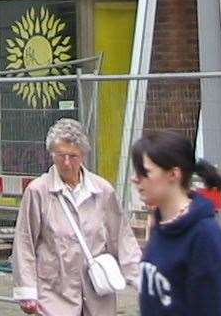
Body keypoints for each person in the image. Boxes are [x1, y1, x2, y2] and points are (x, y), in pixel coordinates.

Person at [13, 117, 141, 316]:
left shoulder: (102, 191)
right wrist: (27, 290)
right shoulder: (38, 191)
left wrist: (139, 278)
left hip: (97, 292)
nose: (66, 163)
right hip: (54, 293)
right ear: (51, 154)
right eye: (60, 155)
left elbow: (121, 237)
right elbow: (24, 242)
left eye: (72, 156)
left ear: (83, 155)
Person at [131, 131, 221, 316]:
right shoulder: (161, 226)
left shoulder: (204, 237)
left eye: (145, 172)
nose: (135, 179)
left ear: (173, 174)